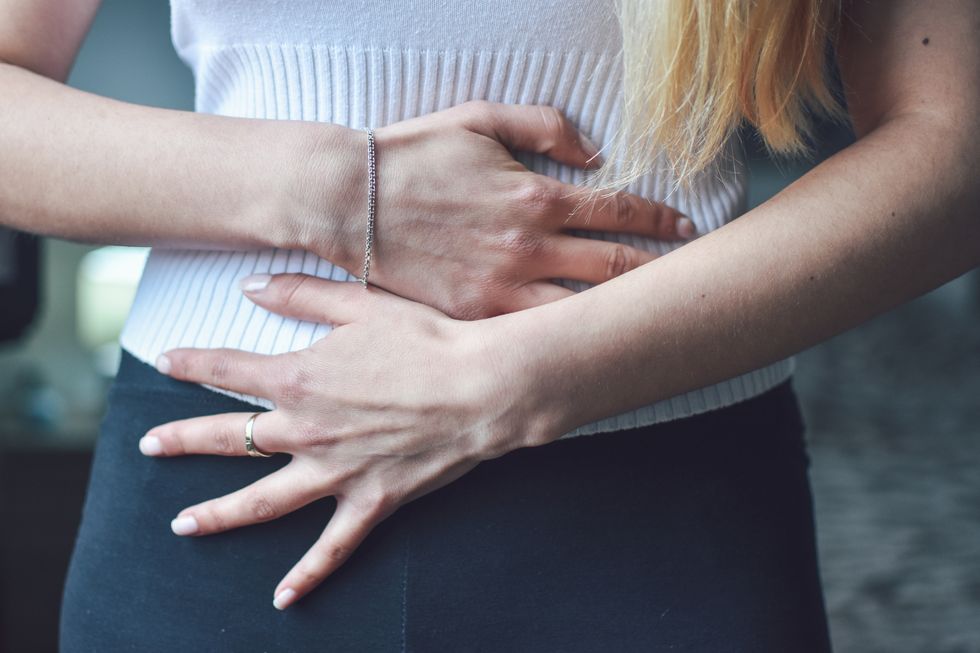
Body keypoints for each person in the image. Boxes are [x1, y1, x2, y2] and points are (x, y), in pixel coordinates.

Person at [1, 0, 976, 650]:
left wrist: (506, 380)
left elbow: (952, 146)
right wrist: (341, 191)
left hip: (656, 502)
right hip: (227, 487)